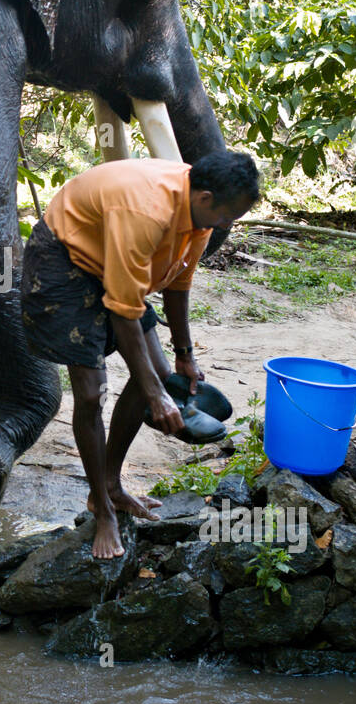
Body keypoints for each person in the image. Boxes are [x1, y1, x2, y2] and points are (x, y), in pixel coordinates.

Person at [20, 151, 260, 561]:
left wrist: (184, 355)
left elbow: (178, 283)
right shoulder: (146, 212)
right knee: (93, 393)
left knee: (161, 374)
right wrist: (155, 397)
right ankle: (102, 511)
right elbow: (123, 308)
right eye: (227, 216)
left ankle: (111, 486)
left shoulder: (201, 215)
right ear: (204, 198)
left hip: (109, 260)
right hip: (64, 255)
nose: (229, 225)